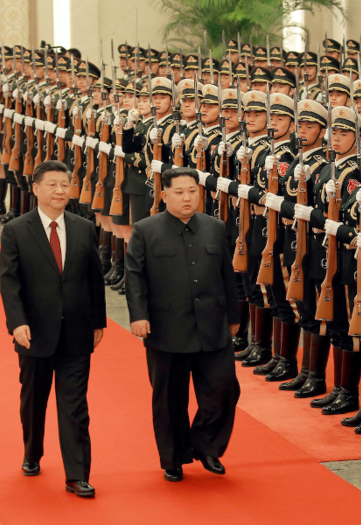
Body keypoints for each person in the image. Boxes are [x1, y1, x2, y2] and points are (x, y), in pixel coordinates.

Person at [125, 167, 241, 482]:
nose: (187, 197)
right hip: (166, 328)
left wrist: (234, 316)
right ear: (164, 196)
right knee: (169, 399)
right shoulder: (146, 230)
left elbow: (226, 275)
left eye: (192, 191)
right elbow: (134, 275)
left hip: (212, 326)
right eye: (179, 192)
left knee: (224, 390)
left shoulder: (215, 228)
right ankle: (173, 458)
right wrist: (138, 315)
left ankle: (205, 446)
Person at [0, 160, 107, 498]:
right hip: (34, 333)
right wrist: (17, 323)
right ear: (36, 189)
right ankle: (32, 452)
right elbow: (9, 282)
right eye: (53, 185)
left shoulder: (83, 226)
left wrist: (98, 321)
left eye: (65, 184)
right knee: (34, 400)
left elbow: (94, 279)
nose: (60, 191)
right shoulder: (16, 229)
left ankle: (77, 474)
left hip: (76, 332)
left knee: (74, 405)